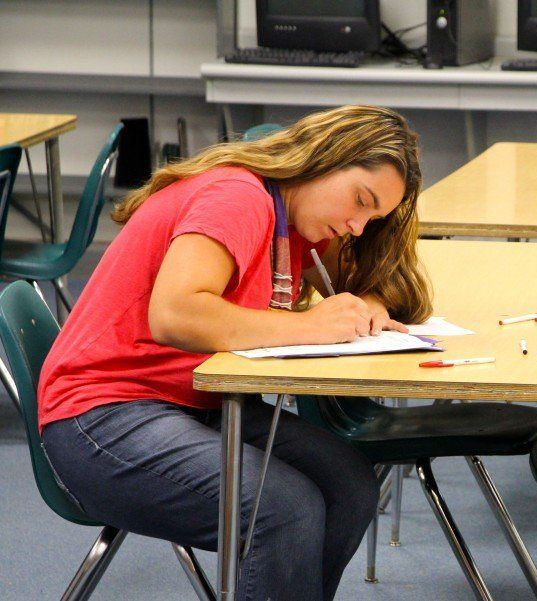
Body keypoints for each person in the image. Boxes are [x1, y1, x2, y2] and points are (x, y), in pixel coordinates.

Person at [37, 105, 432, 601]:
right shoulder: (239, 196)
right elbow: (176, 313)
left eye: (373, 217)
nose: (357, 225)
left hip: (196, 404)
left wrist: (369, 302)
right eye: (360, 201)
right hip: (101, 417)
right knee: (283, 509)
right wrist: (306, 327)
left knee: (348, 487)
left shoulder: (298, 220)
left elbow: (396, 287)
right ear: (326, 157)